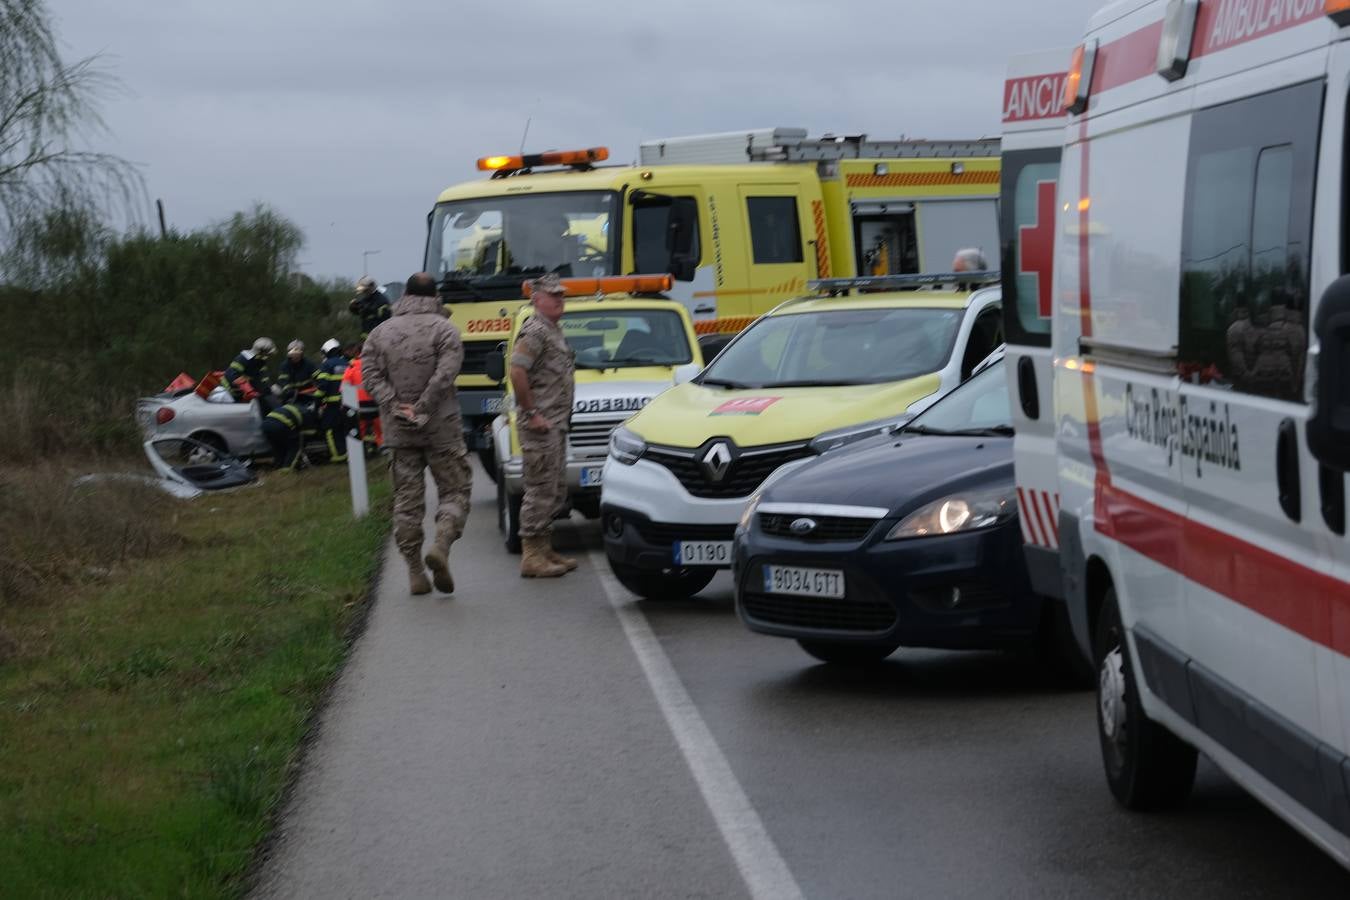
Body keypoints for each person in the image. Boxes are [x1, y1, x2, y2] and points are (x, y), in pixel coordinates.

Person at [362, 271, 473, 595]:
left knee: (407, 502)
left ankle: (414, 573)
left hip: (399, 432)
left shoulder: (379, 333)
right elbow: (446, 374)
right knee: (455, 492)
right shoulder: (445, 329)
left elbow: (370, 376)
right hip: (442, 429)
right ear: (434, 294)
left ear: (405, 295)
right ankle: (441, 543)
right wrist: (423, 406)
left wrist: (396, 405)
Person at [509, 273, 577, 578]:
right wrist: (531, 412)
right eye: (553, 295)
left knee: (554, 489)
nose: (560, 299)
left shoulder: (553, 330)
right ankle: (531, 556)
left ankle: (544, 547)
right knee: (539, 489)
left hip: (555, 424)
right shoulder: (535, 331)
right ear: (537, 300)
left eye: (561, 294)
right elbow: (517, 372)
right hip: (540, 425)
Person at [341, 340, 383, 454]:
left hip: (358, 404)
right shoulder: (375, 364)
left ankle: (359, 451)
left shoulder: (351, 366)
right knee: (379, 428)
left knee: (360, 429)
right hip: (375, 401)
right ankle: (384, 447)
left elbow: (344, 387)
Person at [313, 338, 350, 462]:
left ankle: (338, 456)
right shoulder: (346, 363)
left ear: (327, 352)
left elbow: (322, 386)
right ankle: (348, 452)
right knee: (345, 428)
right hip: (349, 403)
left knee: (329, 430)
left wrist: (316, 402)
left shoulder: (327, 365)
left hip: (333, 404)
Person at [261, 399, 319, 471]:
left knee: (278, 448)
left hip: (265, 425)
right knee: (295, 446)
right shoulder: (307, 413)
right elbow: (308, 433)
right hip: (280, 425)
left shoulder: (294, 407)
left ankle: (279, 466)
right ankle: (288, 468)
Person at [225, 337, 276, 404]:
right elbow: (233, 375)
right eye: (267, 354)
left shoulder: (260, 361)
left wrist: (270, 388)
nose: (268, 356)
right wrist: (249, 391)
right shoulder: (242, 359)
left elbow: (262, 378)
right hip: (233, 394)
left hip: (252, 395)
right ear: (260, 352)